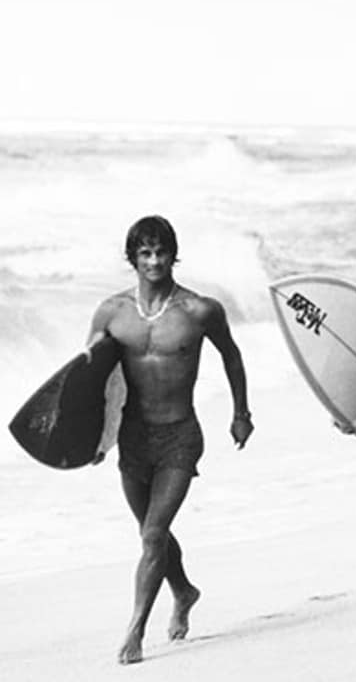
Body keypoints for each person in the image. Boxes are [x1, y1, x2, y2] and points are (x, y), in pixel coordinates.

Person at [87, 215, 254, 663]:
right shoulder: (111, 313)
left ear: (173, 254)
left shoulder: (198, 311)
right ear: (132, 258)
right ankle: (184, 591)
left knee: (154, 533)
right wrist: (93, 438)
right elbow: (90, 379)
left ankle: (135, 630)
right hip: (132, 439)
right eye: (145, 253)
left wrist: (241, 413)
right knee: (151, 534)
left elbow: (233, 358)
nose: (155, 260)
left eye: (161, 251)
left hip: (180, 435)